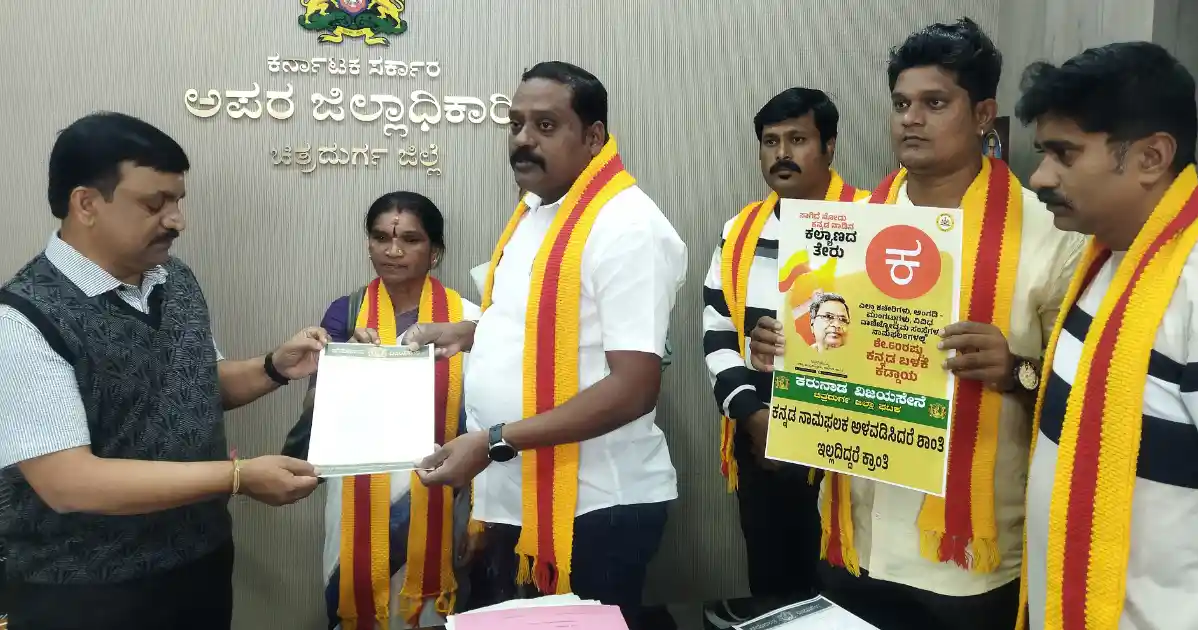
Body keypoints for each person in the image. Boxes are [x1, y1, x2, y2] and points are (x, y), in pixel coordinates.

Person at [748, 18, 1085, 630]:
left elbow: (1087, 397)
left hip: (967, 559)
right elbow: (826, 344)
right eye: (902, 104)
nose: (911, 119)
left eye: (935, 103)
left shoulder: (1048, 233)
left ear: (983, 114)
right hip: (854, 540)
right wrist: (781, 347)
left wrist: (1015, 371)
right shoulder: (845, 227)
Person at [0, 111, 325, 630]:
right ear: (86, 204)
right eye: (155, 204)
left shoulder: (173, 279)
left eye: (178, 201)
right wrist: (238, 477)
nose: (177, 221)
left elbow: (195, 385)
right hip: (85, 592)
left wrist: (273, 368)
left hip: (200, 566)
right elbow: (69, 482)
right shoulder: (22, 319)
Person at [404, 61, 688, 629]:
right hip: (518, 497)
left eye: (546, 125)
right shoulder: (538, 212)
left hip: (594, 509)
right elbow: (553, 325)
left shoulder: (626, 226)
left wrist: (496, 441)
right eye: (516, 124)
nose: (524, 139)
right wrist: (471, 332)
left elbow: (634, 387)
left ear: (594, 136)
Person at [1014, 42, 1198, 630]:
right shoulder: (1101, 261)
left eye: (1064, 154)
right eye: (1043, 152)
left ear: (1151, 157)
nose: (1040, 177)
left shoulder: (1192, 284)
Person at [701, 87, 867, 628]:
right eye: (771, 141)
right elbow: (716, 332)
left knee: (845, 592)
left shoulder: (876, 222)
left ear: (829, 146)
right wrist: (752, 416)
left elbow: (893, 338)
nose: (782, 154)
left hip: (855, 443)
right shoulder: (740, 231)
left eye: (798, 139)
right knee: (774, 587)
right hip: (762, 434)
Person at [281, 191, 480, 630]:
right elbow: (317, 407)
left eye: (410, 239)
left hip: (439, 492)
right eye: (381, 237)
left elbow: (484, 420)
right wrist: (347, 365)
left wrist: (479, 514)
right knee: (356, 604)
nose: (393, 250)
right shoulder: (346, 313)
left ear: (435, 252)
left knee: (430, 613)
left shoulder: (467, 320)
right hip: (356, 497)